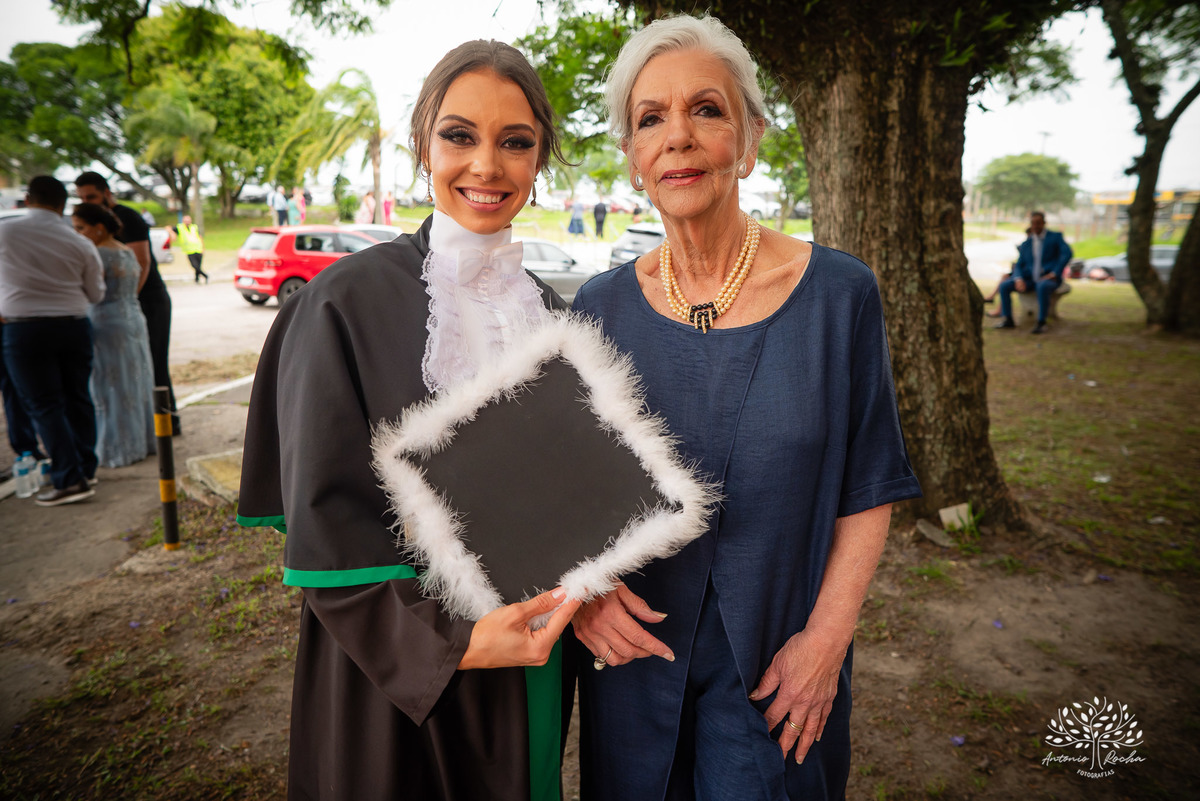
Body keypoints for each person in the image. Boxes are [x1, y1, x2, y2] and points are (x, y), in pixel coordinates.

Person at [568, 15, 922, 799]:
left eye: (707, 109)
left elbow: (871, 486)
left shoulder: (839, 295)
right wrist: (582, 593)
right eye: (650, 119)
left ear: (750, 139)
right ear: (632, 159)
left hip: (778, 660)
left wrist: (826, 643)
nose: (678, 137)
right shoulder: (598, 310)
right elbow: (569, 493)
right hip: (632, 662)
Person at [237, 40, 580, 801]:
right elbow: (329, 521)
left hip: (531, 655)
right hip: (392, 671)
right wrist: (450, 643)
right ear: (424, 144)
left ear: (538, 161)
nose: (486, 166)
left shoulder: (556, 319)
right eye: (460, 135)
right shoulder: (339, 305)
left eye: (515, 142)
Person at [0, 176, 105, 506]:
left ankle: (69, 478)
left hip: (24, 329)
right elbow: (95, 293)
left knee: (44, 404)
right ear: (63, 204)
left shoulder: (6, 231)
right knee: (78, 398)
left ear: (28, 199)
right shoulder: (79, 241)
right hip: (73, 325)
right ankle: (86, 469)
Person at [74, 172, 180, 436]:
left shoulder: (128, 218)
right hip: (122, 306)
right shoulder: (91, 229)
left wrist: (127, 299)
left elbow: (141, 262)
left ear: (107, 193)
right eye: (83, 198)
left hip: (148, 300)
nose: (88, 202)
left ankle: (168, 423)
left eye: (92, 196)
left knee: (154, 364)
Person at [72, 203, 156, 468]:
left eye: (81, 228)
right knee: (135, 382)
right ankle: (140, 441)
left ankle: (115, 448)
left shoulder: (97, 254)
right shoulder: (126, 251)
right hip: (133, 318)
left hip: (106, 322)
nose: (78, 234)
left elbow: (92, 293)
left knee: (108, 386)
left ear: (98, 229)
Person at [994, 211, 1072, 335]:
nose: (1035, 226)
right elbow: (1019, 264)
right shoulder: (1027, 243)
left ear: (1044, 223)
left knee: (1042, 286)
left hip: (1049, 278)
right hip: (1029, 279)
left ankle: (1041, 322)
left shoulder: (1055, 237)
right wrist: (1018, 278)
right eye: (1033, 223)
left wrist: (1054, 272)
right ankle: (1008, 319)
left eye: (1038, 223)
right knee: (1004, 285)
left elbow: (1067, 254)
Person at [174, 214, 208, 283]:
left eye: (188, 220)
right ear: (183, 221)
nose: (187, 222)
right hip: (189, 250)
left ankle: (196, 279)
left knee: (198, 266)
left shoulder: (194, 227)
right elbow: (169, 228)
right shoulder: (180, 227)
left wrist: (203, 248)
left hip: (198, 249)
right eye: (186, 220)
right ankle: (205, 276)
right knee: (195, 265)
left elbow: (200, 237)